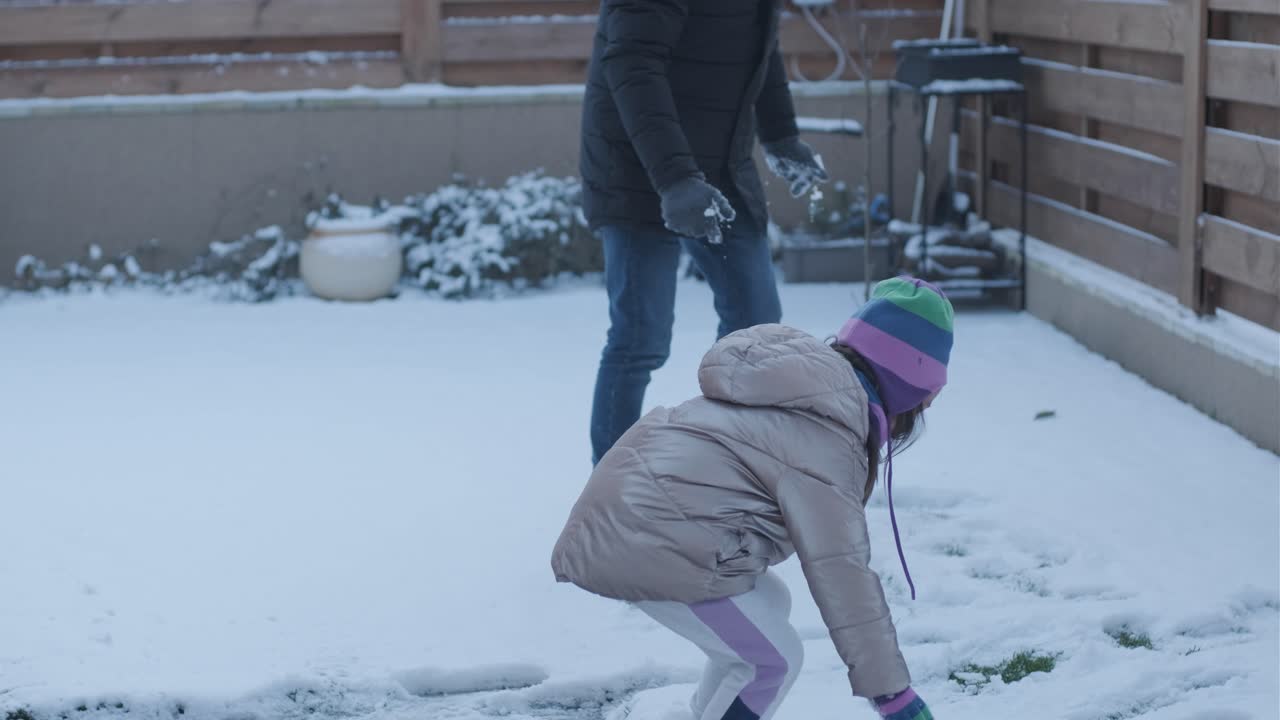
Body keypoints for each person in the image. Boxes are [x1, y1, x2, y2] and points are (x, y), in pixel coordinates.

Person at [552, 277, 954, 720]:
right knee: (772, 664)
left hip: (631, 519)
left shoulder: (796, 389)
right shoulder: (826, 440)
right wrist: (893, 695)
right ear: (905, 390)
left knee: (769, 604)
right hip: (653, 538)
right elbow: (843, 572)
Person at [581, 0, 830, 463]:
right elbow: (632, 62)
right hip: (636, 168)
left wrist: (780, 133)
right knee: (641, 338)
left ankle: (728, 471)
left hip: (721, 163)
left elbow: (761, 45)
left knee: (755, 329)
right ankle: (612, 498)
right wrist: (675, 180)